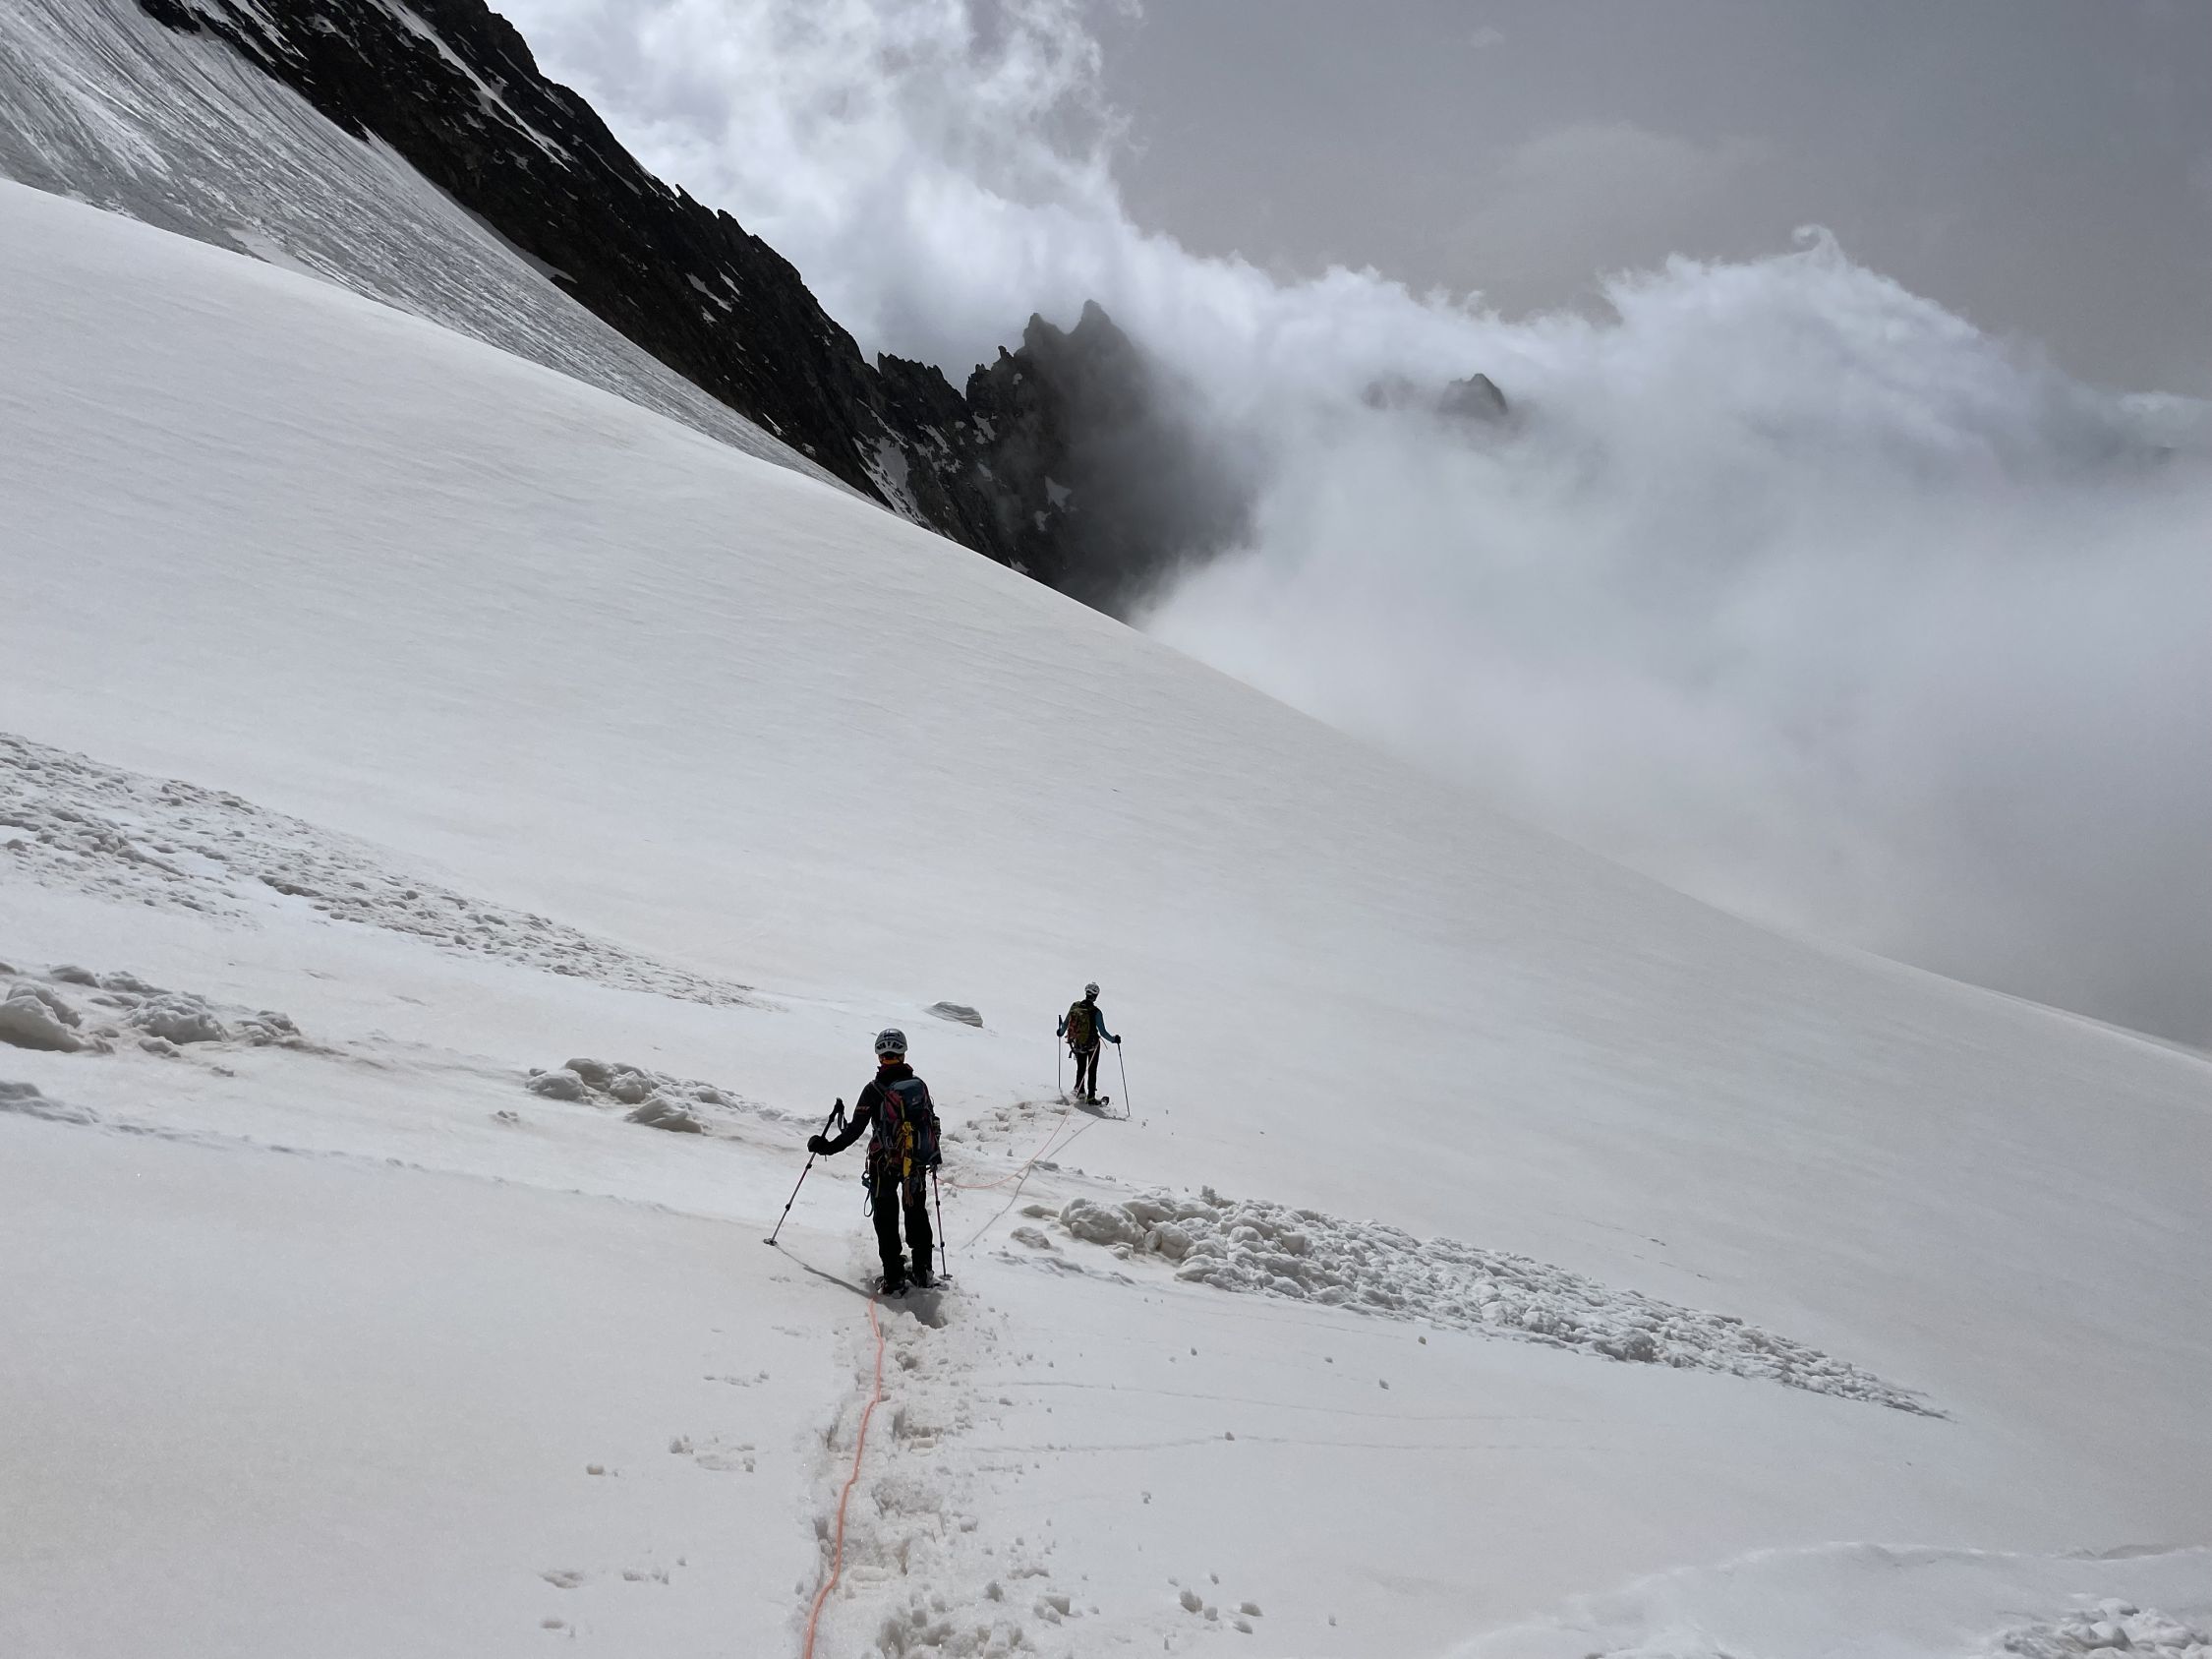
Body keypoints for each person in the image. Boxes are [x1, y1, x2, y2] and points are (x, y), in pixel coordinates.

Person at [808, 1029, 941, 1294]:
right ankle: (923, 1270)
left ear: (880, 1056)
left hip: (883, 1163)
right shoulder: (918, 1086)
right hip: (914, 1163)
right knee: (916, 1212)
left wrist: (827, 1148)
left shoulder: (873, 1090)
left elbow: (854, 1131)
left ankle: (893, 1276)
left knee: (886, 1216)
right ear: (903, 1054)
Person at [1057, 981, 1119, 1104]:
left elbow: (1066, 1023)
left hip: (1079, 1043)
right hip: (1093, 1045)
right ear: (1095, 996)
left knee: (1081, 1067)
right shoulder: (1096, 1012)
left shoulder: (1075, 1006)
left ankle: (1080, 1091)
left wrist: (1060, 1032)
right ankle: (1091, 1097)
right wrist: (1114, 1039)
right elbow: (1103, 1032)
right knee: (1092, 1069)